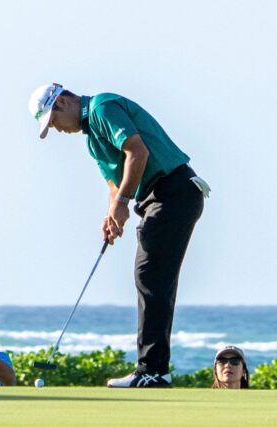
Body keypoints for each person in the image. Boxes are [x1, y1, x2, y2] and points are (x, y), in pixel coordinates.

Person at [32, 81, 206, 387]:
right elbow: (114, 184)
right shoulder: (92, 141)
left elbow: (136, 151)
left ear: (61, 103)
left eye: (53, 122)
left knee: (150, 276)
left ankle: (152, 371)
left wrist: (123, 204)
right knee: (150, 277)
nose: (57, 129)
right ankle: (153, 369)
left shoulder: (102, 107)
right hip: (157, 199)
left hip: (173, 190)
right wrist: (112, 215)